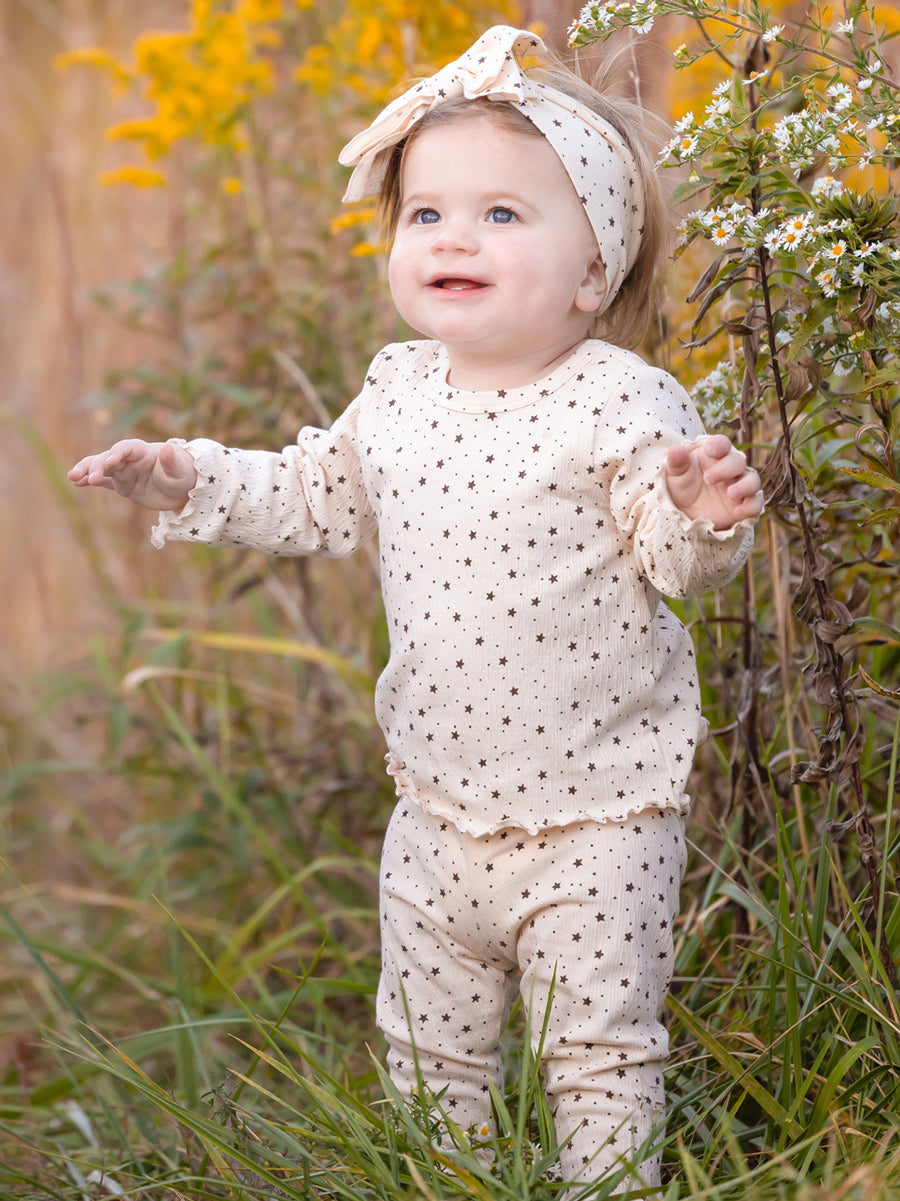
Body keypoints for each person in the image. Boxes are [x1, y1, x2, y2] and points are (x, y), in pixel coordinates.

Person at [69, 25, 763, 1192]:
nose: (453, 236)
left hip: (599, 818)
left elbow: (671, 565)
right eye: (426, 213)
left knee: (598, 1057)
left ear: (594, 270)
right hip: (434, 811)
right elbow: (307, 494)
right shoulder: (396, 393)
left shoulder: (619, 398)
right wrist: (185, 473)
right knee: (427, 1057)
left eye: (503, 215)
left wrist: (701, 514)